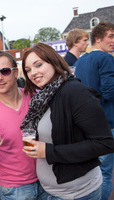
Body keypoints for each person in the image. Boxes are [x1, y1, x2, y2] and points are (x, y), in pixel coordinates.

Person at [20, 42, 114, 200]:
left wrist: (48, 151)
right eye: (28, 70)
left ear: (53, 62)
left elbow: (104, 143)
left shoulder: (75, 92)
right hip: (49, 191)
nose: (33, 73)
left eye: (38, 65)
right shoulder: (43, 96)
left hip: (78, 194)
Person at [0, 51, 47, 199]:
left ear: (16, 72)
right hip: (15, 189)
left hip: (47, 179)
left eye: (5, 71)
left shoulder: (36, 98)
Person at [74, 21, 114, 200]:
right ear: (98, 39)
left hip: (86, 124)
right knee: (105, 173)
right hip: (107, 122)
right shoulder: (107, 58)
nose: (113, 41)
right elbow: (109, 91)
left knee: (93, 172)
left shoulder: (81, 60)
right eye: (110, 36)